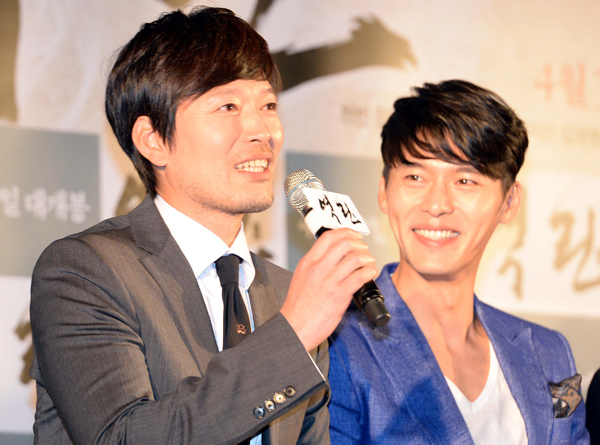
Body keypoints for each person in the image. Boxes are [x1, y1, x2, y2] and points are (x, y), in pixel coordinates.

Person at [29, 7, 377, 445]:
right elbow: (123, 437)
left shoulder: (287, 293)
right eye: (227, 106)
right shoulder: (84, 271)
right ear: (154, 140)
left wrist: (296, 324)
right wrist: (292, 334)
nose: (262, 130)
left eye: (268, 105)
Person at [328, 80, 589, 444]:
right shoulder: (338, 345)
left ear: (509, 202)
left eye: (465, 180)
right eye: (415, 176)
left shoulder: (549, 353)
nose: (436, 205)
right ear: (383, 191)